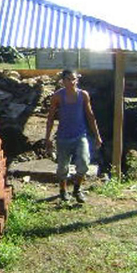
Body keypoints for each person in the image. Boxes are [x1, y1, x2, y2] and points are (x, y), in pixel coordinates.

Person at [45, 69, 102, 203]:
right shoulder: (58, 96)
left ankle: (77, 189)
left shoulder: (83, 95)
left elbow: (90, 116)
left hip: (80, 136)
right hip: (63, 137)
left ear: (77, 80)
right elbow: (50, 118)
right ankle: (63, 190)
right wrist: (47, 137)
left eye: (74, 79)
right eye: (68, 79)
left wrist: (97, 136)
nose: (72, 82)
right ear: (63, 81)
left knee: (83, 163)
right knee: (62, 167)